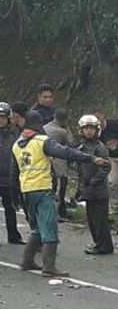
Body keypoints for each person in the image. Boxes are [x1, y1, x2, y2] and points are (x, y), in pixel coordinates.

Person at [11, 111, 109, 277]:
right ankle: (49, 266)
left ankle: (27, 260)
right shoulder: (41, 141)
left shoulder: (17, 144)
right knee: (49, 228)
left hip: (26, 190)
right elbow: (66, 152)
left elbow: (13, 172)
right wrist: (91, 159)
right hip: (42, 189)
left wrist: (15, 196)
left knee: (37, 228)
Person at [76, 115, 113, 255]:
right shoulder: (82, 147)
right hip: (88, 188)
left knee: (100, 220)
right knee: (92, 219)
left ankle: (104, 246)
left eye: (91, 128)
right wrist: (82, 186)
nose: (89, 131)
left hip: (98, 189)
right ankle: (99, 243)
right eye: (86, 128)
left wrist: (94, 181)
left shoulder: (99, 147)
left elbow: (106, 167)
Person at [44, 108, 75, 221]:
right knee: (60, 188)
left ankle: (61, 211)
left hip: (46, 160)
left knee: (51, 187)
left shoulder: (45, 127)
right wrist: (67, 128)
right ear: (65, 119)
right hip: (59, 161)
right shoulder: (62, 131)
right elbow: (71, 143)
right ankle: (57, 213)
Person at [0, 101, 24, 244]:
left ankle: (13, 235)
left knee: (11, 208)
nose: (0, 120)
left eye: (3, 117)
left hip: (9, 178)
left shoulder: (14, 135)